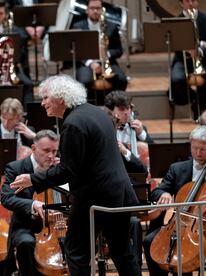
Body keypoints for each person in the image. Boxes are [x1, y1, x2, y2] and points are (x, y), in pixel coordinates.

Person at [9, 74, 140, 275]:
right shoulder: (96, 112)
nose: (42, 103)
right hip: (118, 192)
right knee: (122, 252)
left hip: (95, 197)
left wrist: (32, 179)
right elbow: (95, 156)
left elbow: (68, 171)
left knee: (76, 251)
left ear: (60, 98)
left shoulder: (73, 123)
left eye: (45, 98)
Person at [142, 125, 206, 276]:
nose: (198, 153)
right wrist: (163, 193)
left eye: (203, 149)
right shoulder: (177, 169)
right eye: (194, 148)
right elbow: (157, 191)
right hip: (179, 223)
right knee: (149, 241)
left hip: (202, 225)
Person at [1, 129, 59, 276]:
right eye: (46, 151)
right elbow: (7, 198)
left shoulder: (59, 169)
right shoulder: (15, 168)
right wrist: (33, 204)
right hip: (26, 224)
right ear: (34, 148)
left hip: (57, 225)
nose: (51, 156)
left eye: (54, 151)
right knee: (26, 243)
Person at [71, 0, 127, 95]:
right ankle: (88, 107)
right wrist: (90, 63)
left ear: (102, 10)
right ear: (87, 10)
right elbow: (75, 51)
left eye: (98, 8)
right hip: (86, 63)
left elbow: (118, 50)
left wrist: (106, 54)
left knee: (122, 79)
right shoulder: (77, 27)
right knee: (85, 81)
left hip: (107, 62)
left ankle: (114, 105)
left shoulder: (111, 26)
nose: (95, 11)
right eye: (92, 8)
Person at [170, 0, 206, 117]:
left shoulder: (204, 19)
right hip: (183, 59)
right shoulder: (177, 21)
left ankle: (201, 107)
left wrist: (199, 49)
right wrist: (186, 50)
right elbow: (174, 46)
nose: (190, 3)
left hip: (203, 59)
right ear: (181, 3)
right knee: (176, 78)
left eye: (193, 0)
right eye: (187, 1)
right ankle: (193, 98)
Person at [104, 90, 153, 170]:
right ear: (111, 111)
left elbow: (154, 153)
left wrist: (141, 133)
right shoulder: (105, 130)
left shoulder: (139, 128)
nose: (126, 112)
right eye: (122, 109)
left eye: (128, 108)